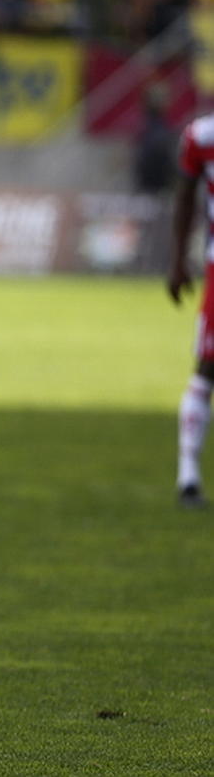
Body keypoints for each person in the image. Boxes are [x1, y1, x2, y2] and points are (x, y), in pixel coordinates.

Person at [168, 113, 214, 510]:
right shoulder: (202, 135)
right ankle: (188, 475)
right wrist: (178, 261)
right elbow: (184, 197)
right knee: (208, 367)